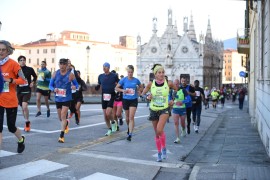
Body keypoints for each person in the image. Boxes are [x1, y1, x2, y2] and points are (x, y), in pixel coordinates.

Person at [141, 64, 178, 162]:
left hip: (164, 109)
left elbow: (177, 91)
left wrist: (173, 100)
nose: (162, 74)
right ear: (155, 74)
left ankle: (164, 147)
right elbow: (142, 94)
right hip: (153, 109)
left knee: (159, 129)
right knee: (157, 133)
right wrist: (148, 96)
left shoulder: (168, 83)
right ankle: (159, 152)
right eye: (159, 73)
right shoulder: (150, 84)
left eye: (163, 72)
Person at [0, 40, 26, 153]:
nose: (0, 52)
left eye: (3, 50)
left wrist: (10, 80)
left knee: (11, 127)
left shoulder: (13, 64)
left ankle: (20, 139)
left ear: (8, 51)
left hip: (10, 100)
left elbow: (23, 80)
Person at [49, 58, 78, 143]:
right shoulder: (55, 73)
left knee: (63, 115)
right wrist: (53, 89)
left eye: (63, 64)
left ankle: (61, 136)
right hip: (58, 98)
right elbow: (50, 85)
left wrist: (74, 87)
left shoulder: (70, 75)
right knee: (60, 118)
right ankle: (66, 124)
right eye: (60, 64)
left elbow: (77, 85)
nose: (61, 66)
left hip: (67, 98)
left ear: (66, 65)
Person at [115, 65, 143, 141]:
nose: (130, 73)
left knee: (131, 117)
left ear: (133, 72)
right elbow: (116, 88)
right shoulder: (123, 80)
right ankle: (129, 128)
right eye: (129, 72)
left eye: (131, 72)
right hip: (126, 100)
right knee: (127, 118)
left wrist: (139, 91)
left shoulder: (136, 80)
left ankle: (130, 134)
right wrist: (123, 90)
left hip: (133, 100)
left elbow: (141, 87)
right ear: (127, 72)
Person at [95, 62, 119, 136]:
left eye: (105, 67)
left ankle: (113, 122)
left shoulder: (114, 76)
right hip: (104, 96)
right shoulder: (100, 76)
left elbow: (119, 83)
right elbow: (99, 84)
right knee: (105, 115)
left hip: (111, 95)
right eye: (103, 67)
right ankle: (109, 129)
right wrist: (97, 87)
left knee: (108, 113)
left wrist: (117, 90)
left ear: (109, 67)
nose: (104, 68)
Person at [17, 55, 37, 132]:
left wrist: (33, 82)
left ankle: (27, 121)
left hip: (27, 90)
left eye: (24, 60)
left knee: (25, 106)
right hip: (19, 90)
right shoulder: (16, 69)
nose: (22, 61)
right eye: (21, 60)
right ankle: (26, 121)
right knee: (22, 108)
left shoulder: (30, 69)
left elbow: (35, 76)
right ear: (18, 62)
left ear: (25, 61)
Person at [172, 79, 190, 143]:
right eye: (174, 84)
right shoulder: (172, 91)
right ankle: (177, 138)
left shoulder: (183, 90)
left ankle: (183, 129)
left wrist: (182, 102)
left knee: (182, 122)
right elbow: (169, 99)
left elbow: (189, 99)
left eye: (177, 84)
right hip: (175, 109)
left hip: (182, 109)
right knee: (176, 123)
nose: (176, 85)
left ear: (179, 84)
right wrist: (170, 102)